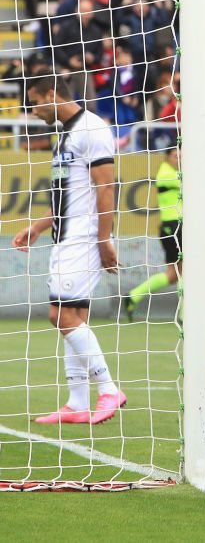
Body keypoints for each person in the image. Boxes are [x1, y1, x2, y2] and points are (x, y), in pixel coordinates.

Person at [14, 74, 125, 425]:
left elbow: (106, 187)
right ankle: (78, 402)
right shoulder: (66, 133)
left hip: (83, 236)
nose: (33, 111)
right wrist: (38, 226)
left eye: (35, 103)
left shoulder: (91, 128)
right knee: (75, 316)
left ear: (52, 93)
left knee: (59, 315)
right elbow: (69, 195)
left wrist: (102, 239)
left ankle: (109, 389)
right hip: (67, 234)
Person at [123, 147, 205, 320]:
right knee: (185, 270)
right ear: (167, 157)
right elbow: (197, 181)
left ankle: (133, 296)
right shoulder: (166, 173)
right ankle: (184, 314)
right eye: (175, 155)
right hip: (174, 226)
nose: (178, 159)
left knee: (172, 274)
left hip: (173, 226)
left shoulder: (175, 173)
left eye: (181, 156)